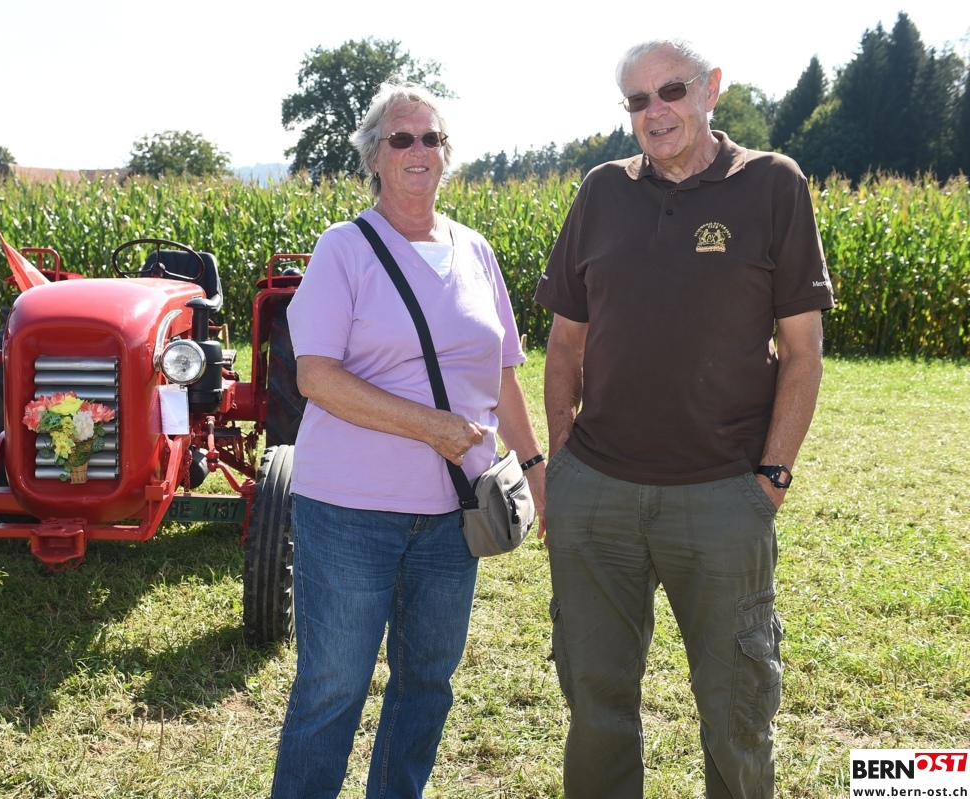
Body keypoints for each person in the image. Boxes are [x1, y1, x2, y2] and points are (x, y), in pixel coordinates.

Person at [536, 39, 833, 799]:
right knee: (595, 708)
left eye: (671, 90)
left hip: (721, 495)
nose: (656, 111)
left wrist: (770, 478)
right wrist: (563, 465)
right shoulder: (602, 191)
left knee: (736, 716)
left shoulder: (773, 183)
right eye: (638, 100)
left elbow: (802, 352)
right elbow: (565, 342)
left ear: (711, 89)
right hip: (597, 495)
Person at [271, 81, 546, 798]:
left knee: (426, 683)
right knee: (333, 687)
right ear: (375, 156)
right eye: (402, 138)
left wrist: (536, 468)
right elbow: (316, 378)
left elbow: (503, 375)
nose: (419, 150)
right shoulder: (345, 249)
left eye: (432, 138)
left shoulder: (476, 251)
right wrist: (433, 428)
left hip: (456, 514)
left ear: (447, 154)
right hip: (348, 512)